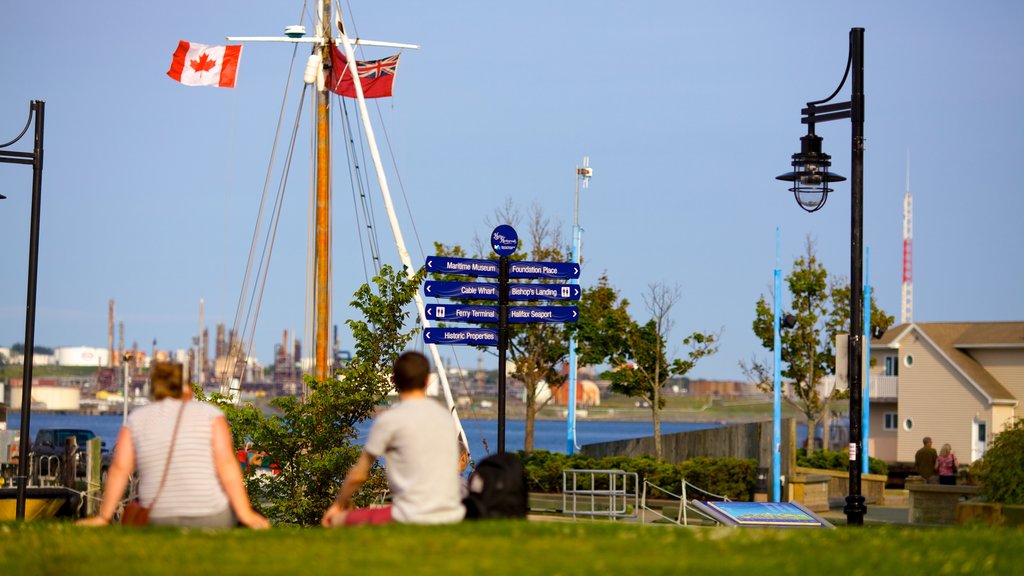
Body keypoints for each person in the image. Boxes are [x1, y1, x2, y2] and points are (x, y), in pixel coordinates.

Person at [78, 362, 269, 529]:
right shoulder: (211, 415)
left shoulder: (137, 419)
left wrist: (104, 517)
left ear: (153, 387)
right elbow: (226, 464)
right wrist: (245, 513)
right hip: (210, 514)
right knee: (250, 514)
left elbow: (120, 468)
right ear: (187, 387)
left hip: (158, 516)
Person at [321, 351, 465, 527]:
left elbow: (359, 474)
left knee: (336, 520)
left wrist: (337, 506)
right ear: (427, 380)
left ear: (393, 381)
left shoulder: (390, 420)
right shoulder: (444, 418)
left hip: (410, 515)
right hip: (452, 512)